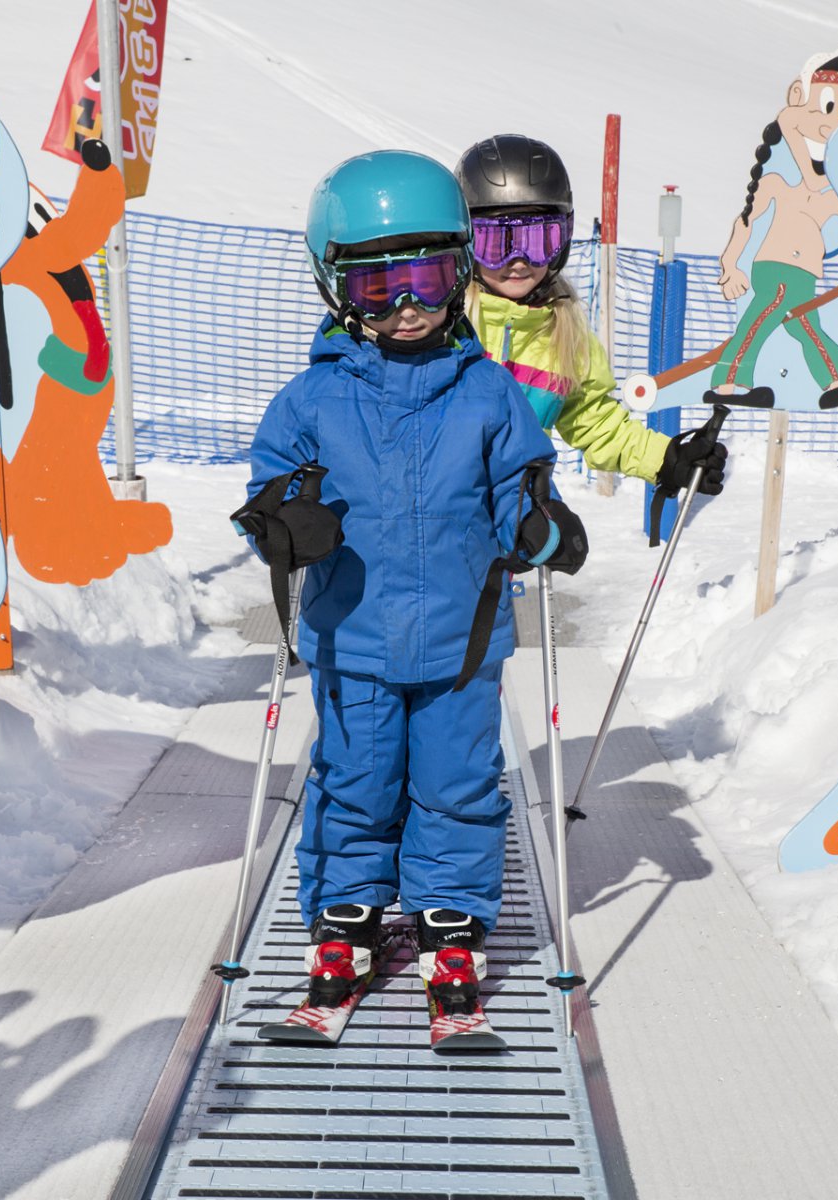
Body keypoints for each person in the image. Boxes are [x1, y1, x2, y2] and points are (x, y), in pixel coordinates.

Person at [233, 149, 585, 1024]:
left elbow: (517, 486)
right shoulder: (311, 399)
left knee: (459, 784)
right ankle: (346, 918)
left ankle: (447, 922)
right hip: (351, 638)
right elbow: (272, 483)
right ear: (335, 287)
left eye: (428, 278)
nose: (407, 307)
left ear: (460, 270)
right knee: (353, 778)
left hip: (462, 645)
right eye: (378, 287)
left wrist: (538, 520)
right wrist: (285, 519)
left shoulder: (490, 394)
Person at [455, 133, 727, 510]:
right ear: (466, 241)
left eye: (537, 241)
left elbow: (597, 422)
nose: (518, 260)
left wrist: (667, 459)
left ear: (561, 241)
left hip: (507, 532)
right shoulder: (445, 322)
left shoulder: (563, 335)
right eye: (497, 243)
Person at [708, 50, 838, 409]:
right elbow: (747, 220)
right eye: (826, 106)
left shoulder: (829, 195)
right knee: (759, 319)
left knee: (804, 325)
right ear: (796, 101)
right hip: (775, 268)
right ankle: (728, 382)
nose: (829, 124)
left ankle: (837, 377)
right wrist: (731, 266)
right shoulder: (778, 183)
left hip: (804, 274)